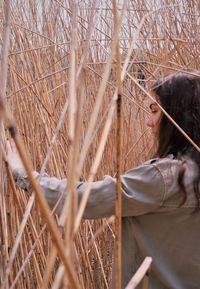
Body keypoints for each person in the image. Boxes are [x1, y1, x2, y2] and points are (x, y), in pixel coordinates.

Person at [7, 71, 200, 289]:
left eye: (155, 111)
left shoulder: (165, 177)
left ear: (178, 117)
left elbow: (84, 199)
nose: (148, 122)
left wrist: (22, 174)